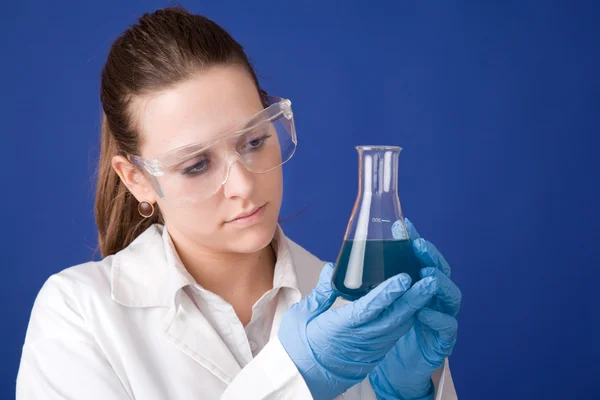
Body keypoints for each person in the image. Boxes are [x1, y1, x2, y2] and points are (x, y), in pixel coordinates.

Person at [16, 7, 462, 400]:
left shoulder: (346, 306)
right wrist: (297, 378)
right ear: (137, 181)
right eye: (196, 165)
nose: (244, 186)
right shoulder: (79, 317)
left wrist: (408, 394)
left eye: (254, 141)